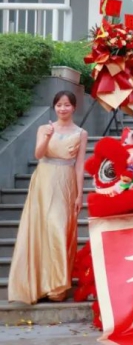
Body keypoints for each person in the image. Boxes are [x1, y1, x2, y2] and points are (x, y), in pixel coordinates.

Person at [9, 91, 87, 304]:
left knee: (59, 227)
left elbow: (80, 165)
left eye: (67, 104)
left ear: (74, 107)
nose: (63, 108)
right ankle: (39, 285)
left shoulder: (81, 133)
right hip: (43, 180)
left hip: (65, 181)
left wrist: (80, 194)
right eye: (59, 105)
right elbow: (38, 154)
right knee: (40, 229)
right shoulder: (44, 129)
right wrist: (47, 137)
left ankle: (57, 286)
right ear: (54, 107)